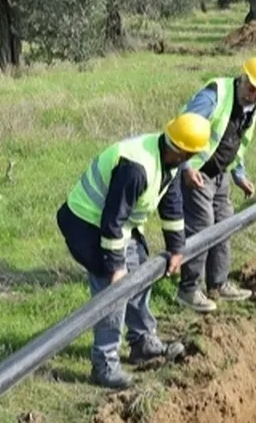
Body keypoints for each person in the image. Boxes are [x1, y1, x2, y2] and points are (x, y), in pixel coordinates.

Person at [56, 112, 212, 389]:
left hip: (116, 224)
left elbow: (171, 202)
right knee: (113, 293)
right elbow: (111, 221)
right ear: (183, 151)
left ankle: (142, 342)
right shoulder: (137, 168)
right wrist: (116, 267)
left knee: (140, 272)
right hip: (87, 223)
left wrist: (176, 248)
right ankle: (104, 365)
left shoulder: (171, 159)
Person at [160, 56, 256, 314]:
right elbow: (183, 129)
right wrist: (186, 168)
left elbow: (238, 143)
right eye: (251, 88)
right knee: (202, 225)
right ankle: (188, 289)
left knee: (225, 223)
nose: (253, 95)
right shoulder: (215, 95)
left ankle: (218, 284)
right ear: (242, 78)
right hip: (198, 172)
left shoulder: (251, 109)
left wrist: (239, 175)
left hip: (221, 174)